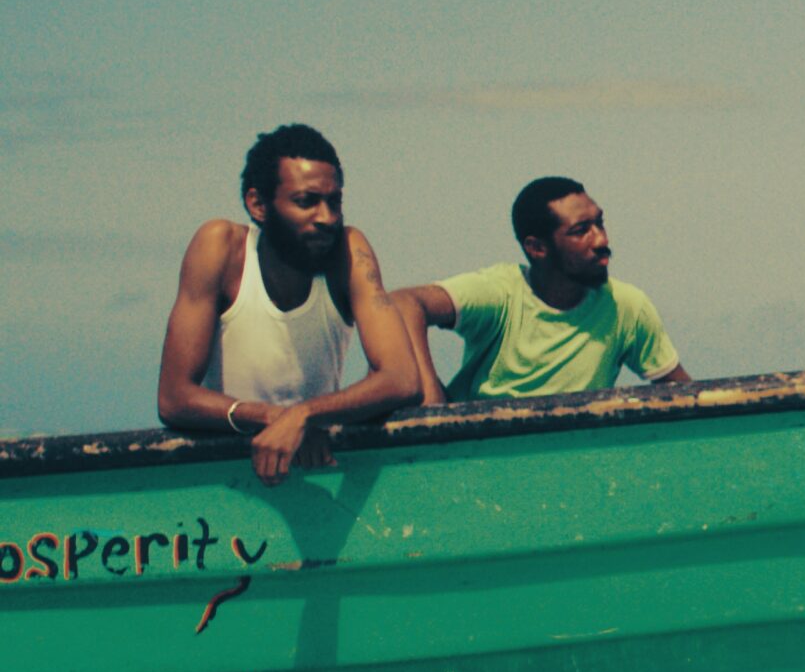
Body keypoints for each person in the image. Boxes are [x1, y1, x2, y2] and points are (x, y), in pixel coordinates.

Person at [156, 124, 421, 486]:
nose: (327, 217)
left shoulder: (348, 252)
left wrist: (305, 415)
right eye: (306, 201)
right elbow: (174, 397)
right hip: (228, 482)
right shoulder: (220, 248)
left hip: (318, 471)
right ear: (258, 205)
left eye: (334, 202)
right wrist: (271, 418)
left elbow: (402, 378)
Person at [393, 176, 690, 404]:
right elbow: (405, 304)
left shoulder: (626, 306)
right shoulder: (501, 294)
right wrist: (433, 402)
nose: (601, 240)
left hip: (569, 457)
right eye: (581, 231)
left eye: (599, 223)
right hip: (480, 453)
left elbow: (685, 395)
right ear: (536, 248)